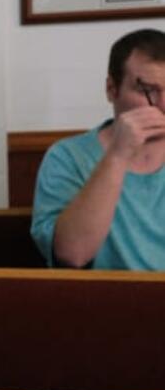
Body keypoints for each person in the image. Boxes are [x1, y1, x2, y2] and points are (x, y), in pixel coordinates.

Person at [31, 28, 165, 270]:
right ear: (111, 89)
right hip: (103, 302)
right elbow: (73, 254)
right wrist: (118, 154)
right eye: (148, 91)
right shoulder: (67, 158)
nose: (162, 105)